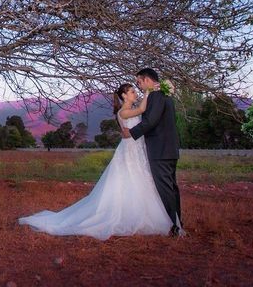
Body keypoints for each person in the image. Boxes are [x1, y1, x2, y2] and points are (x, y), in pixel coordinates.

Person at [18, 83, 173, 240]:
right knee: (128, 179)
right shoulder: (124, 111)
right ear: (124, 95)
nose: (135, 94)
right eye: (132, 92)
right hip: (129, 151)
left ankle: (141, 212)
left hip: (137, 149)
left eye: (135, 91)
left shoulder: (131, 108)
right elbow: (141, 110)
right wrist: (148, 92)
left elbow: (143, 113)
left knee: (139, 179)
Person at [129, 68, 184, 237]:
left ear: (147, 80)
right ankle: (177, 222)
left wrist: (130, 134)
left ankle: (174, 226)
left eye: (139, 82)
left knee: (165, 188)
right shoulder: (165, 95)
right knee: (172, 188)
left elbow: (151, 121)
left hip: (160, 149)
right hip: (170, 148)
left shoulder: (156, 96)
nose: (138, 86)